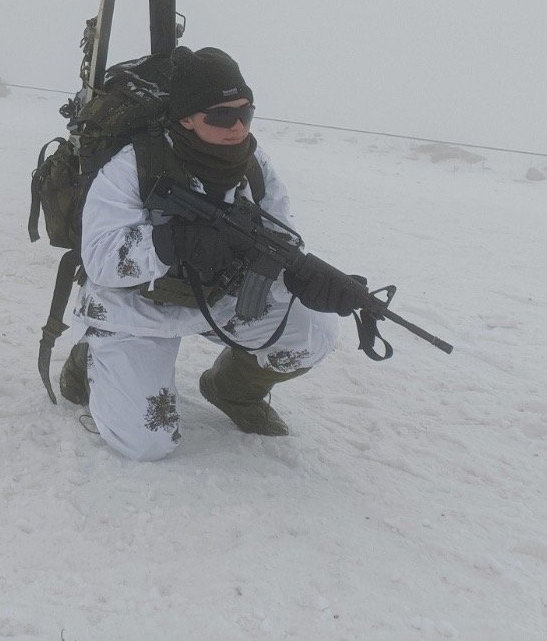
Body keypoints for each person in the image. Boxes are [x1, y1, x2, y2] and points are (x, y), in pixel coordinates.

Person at [56, 46, 367, 460]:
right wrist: (173, 243)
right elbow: (99, 257)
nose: (237, 126)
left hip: (216, 297)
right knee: (145, 444)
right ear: (186, 117)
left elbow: (279, 233)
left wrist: (303, 277)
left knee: (314, 332)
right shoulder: (135, 166)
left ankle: (231, 391)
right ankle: (90, 358)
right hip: (134, 307)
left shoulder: (252, 163)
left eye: (246, 112)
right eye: (221, 115)